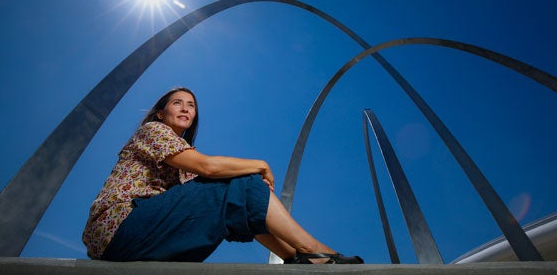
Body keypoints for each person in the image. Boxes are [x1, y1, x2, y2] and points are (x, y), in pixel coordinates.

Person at [82, 87, 363, 264]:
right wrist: (260, 165)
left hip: (136, 237)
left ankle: (296, 257)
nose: (185, 108)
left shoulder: (182, 169)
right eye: (177, 102)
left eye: (190, 105)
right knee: (240, 177)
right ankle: (314, 250)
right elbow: (209, 168)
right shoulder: (153, 132)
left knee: (236, 191)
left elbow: (235, 205)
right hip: (121, 226)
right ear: (160, 113)